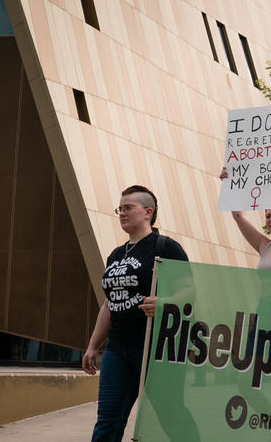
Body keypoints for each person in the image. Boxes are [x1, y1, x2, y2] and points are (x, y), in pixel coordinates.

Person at [83, 185, 189, 442]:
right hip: (117, 349)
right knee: (108, 420)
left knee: (169, 415)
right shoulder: (115, 255)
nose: (121, 213)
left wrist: (164, 301)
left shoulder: (165, 247)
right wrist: (93, 345)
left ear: (148, 212)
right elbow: (110, 303)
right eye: (120, 208)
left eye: (128, 208)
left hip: (154, 348)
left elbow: (191, 289)